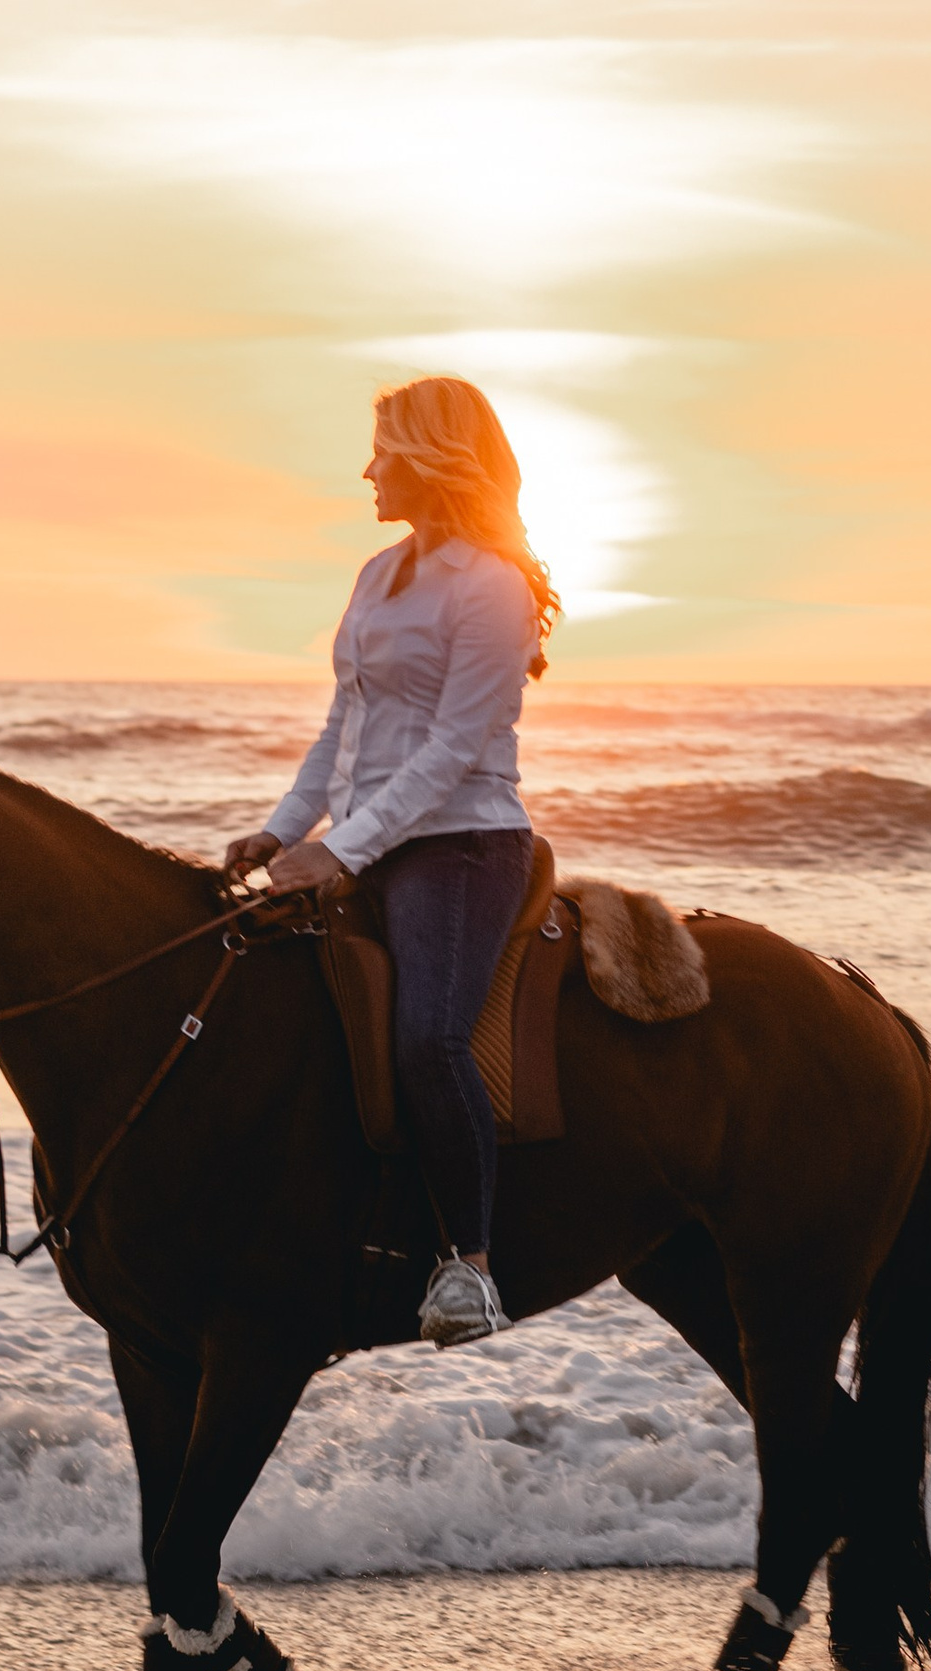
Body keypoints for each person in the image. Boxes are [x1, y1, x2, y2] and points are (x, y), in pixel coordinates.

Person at [225, 377, 560, 1346]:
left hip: (458, 846)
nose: (368, 468)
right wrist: (284, 829)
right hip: (365, 844)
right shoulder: (379, 574)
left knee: (428, 1037)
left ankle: (469, 1265)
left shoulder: (491, 585)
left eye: (383, 449)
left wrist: (346, 849)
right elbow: (347, 724)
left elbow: (453, 748)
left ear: (433, 457)